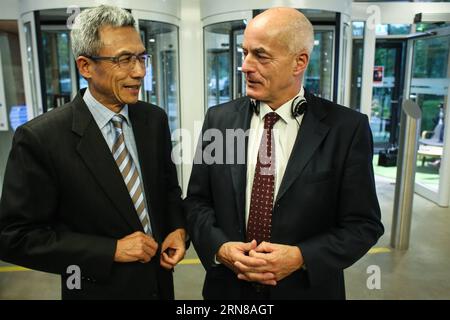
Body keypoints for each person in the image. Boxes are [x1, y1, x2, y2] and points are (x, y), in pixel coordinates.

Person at [184, 7, 384, 300]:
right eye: (245, 53)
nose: (246, 66)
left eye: (261, 55)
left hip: (306, 291)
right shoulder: (220, 120)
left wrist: (301, 256)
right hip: (228, 291)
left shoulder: (346, 128)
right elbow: (197, 202)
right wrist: (220, 248)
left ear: (299, 62)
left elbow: (363, 225)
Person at [0, 5, 186, 300]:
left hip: (160, 286)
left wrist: (178, 228)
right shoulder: (40, 138)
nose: (139, 72)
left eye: (141, 57)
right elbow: (16, 237)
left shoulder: (154, 119)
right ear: (85, 66)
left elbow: (168, 190)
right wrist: (110, 250)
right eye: (124, 60)